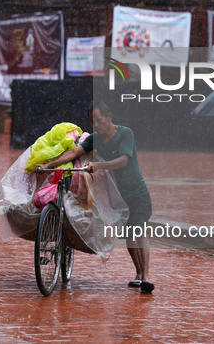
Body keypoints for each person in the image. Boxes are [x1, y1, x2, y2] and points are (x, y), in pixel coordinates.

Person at [36, 101, 155, 294]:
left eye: (99, 121)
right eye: (93, 122)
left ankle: (147, 277)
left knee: (138, 232)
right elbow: (73, 152)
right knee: (129, 237)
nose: (96, 126)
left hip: (137, 193)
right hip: (118, 198)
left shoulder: (126, 134)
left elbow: (123, 161)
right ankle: (139, 274)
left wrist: (99, 165)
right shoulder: (94, 139)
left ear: (109, 117)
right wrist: (48, 166)